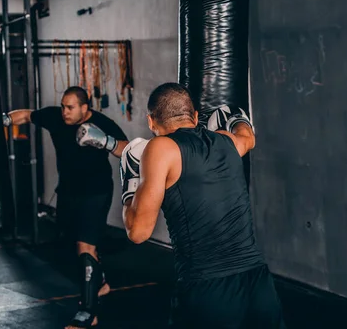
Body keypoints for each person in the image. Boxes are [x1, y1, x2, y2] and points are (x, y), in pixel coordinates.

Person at [120, 82, 287, 328]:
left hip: (208, 289)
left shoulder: (160, 147)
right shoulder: (227, 142)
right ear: (195, 117)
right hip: (258, 285)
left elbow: (138, 232)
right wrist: (236, 116)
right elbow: (248, 138)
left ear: (151, 121)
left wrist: (129, 186)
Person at [2, 86, 128, 329]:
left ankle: (88, 313)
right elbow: (27, 115)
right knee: (75, 246)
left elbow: (126, 149)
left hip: (96, 192)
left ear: (85, 108)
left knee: (85, 247)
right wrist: (4, 120)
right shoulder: (55, 117)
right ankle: (100, 283)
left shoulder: (102, 122)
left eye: (70, 107)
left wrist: (105, 141)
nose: (65, 112)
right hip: (68, 194)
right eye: (63, 106)